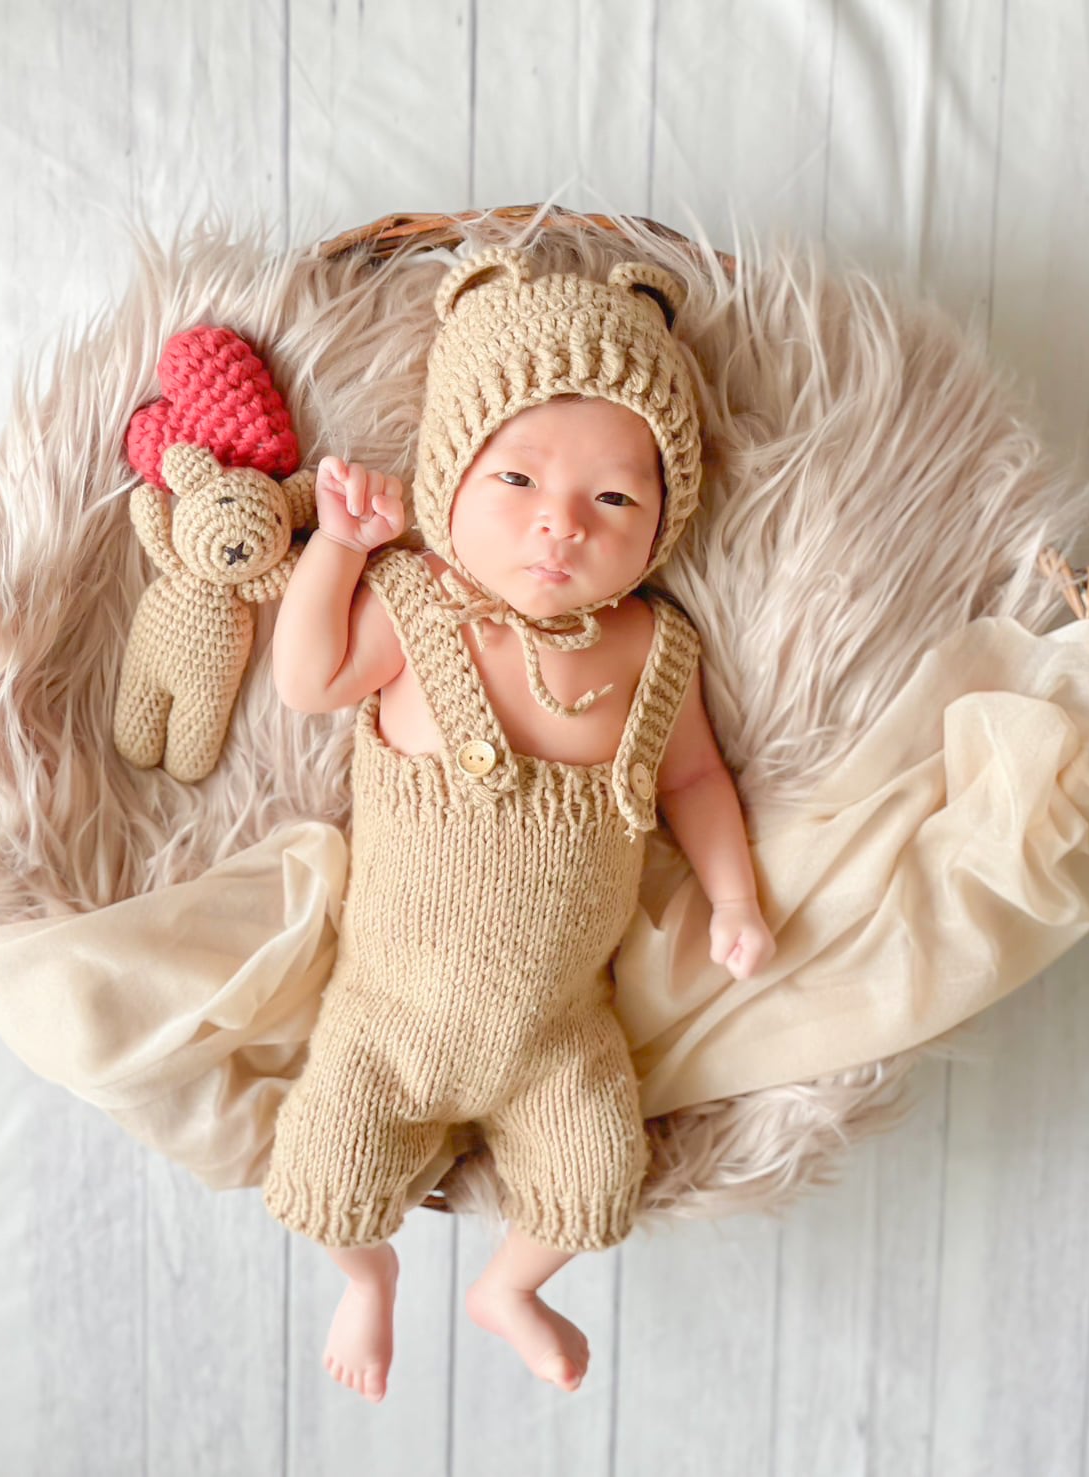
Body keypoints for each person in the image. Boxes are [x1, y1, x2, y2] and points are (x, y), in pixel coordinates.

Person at [262, 246, 776, 1401]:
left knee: (598, 1179)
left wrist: (734, 897)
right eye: (517, 481)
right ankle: (370, 1278)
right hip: (386, 1020)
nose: (560, 526)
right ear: (448, 479)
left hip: (556, 1035)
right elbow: (305, 678)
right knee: (325, 1183)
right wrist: (339, 549)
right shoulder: (419, 605)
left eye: (612, 499)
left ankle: (508, 1289)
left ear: (664, 519)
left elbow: (696, 782)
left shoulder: (652, 648)